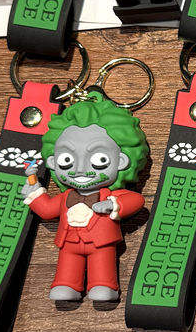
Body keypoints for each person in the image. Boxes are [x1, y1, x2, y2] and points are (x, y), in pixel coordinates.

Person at [21, 92, 149, 302]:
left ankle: (104, 285)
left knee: (102, 263)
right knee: (67, 264)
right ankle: (66, 284)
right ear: (52, 161)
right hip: (69, 242)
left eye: (99, 159)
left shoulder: (109, 194)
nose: (80, 169)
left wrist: (113, 204)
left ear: (121, 161)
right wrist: (34, 194)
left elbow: (136, 200)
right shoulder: (66, 196)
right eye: (67, 160)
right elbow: (47, 209)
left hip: (101, 242)